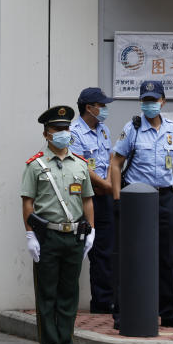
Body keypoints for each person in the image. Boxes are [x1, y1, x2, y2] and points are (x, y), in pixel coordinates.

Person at [110, 80, 173, 330]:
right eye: (145, 100)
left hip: (165, 197)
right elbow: (115, 164)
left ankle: (168, 312)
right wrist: (117, 198)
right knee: (132, 256)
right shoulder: (132, 129)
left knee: (166, 258)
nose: (149, 105)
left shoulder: (172, 130)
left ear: (163, 102)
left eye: (154, 100)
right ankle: (122, 312)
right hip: (136, 199)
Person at [21, 106, 94, 344]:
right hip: (48, 237)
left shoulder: (81, 165)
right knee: (47, 294)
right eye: (57, 129)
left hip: (73, 236)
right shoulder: (35, 165)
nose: (63, 133)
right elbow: (28, 204)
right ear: (46, 133)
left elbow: (87, 201)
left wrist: (91, 231)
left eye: (66, 128)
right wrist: (30, 235)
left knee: (69, 294)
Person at [69, 87, 115, 314]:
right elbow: (81, 166)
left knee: (103, 251)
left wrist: (109, 183)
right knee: (76, 249)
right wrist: (106, 185)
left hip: (104, 199)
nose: (104, 109)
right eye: (102, 105)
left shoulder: (104, 130)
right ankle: (68, 302)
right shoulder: (74, 132)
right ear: (89, 107)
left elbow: (110, 160)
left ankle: (102, 301)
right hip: (82, 198)